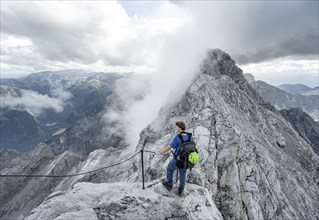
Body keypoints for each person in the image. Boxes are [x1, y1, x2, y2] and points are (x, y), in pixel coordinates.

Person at [156, 121, 194, 195]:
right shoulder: (190, 136)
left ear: (179, 128)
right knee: (183, 173)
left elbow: (169, 147)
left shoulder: (178, 137)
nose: (176, 128)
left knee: (169, 169)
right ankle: (181, 190)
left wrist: (160, 152)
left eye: (176, 127)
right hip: (186, 159)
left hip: (178, 159)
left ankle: (169, 185)